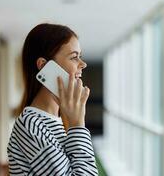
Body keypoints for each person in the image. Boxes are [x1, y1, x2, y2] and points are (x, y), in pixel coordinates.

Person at [7, 23, 99, 175]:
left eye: (80, 56)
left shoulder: (60, 120)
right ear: (44, 66)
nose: (83, 64)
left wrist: (74, 125)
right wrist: (78, 125)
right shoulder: (31, 125)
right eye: (74, 57)